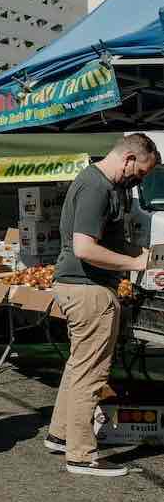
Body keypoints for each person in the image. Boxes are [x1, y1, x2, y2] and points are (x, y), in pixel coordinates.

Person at [47, 133, 158, 477]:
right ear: (127, 158)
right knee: (91, 373)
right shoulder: (97, 187)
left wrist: (149, 259)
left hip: (81, 287)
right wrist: (138, 265)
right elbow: (84, 248)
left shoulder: (104, 186)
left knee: (79, 366)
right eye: (141, 172)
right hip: (88, 290)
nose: (141, 179)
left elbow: (110, 243)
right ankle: (81, 455)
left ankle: (61, 436)